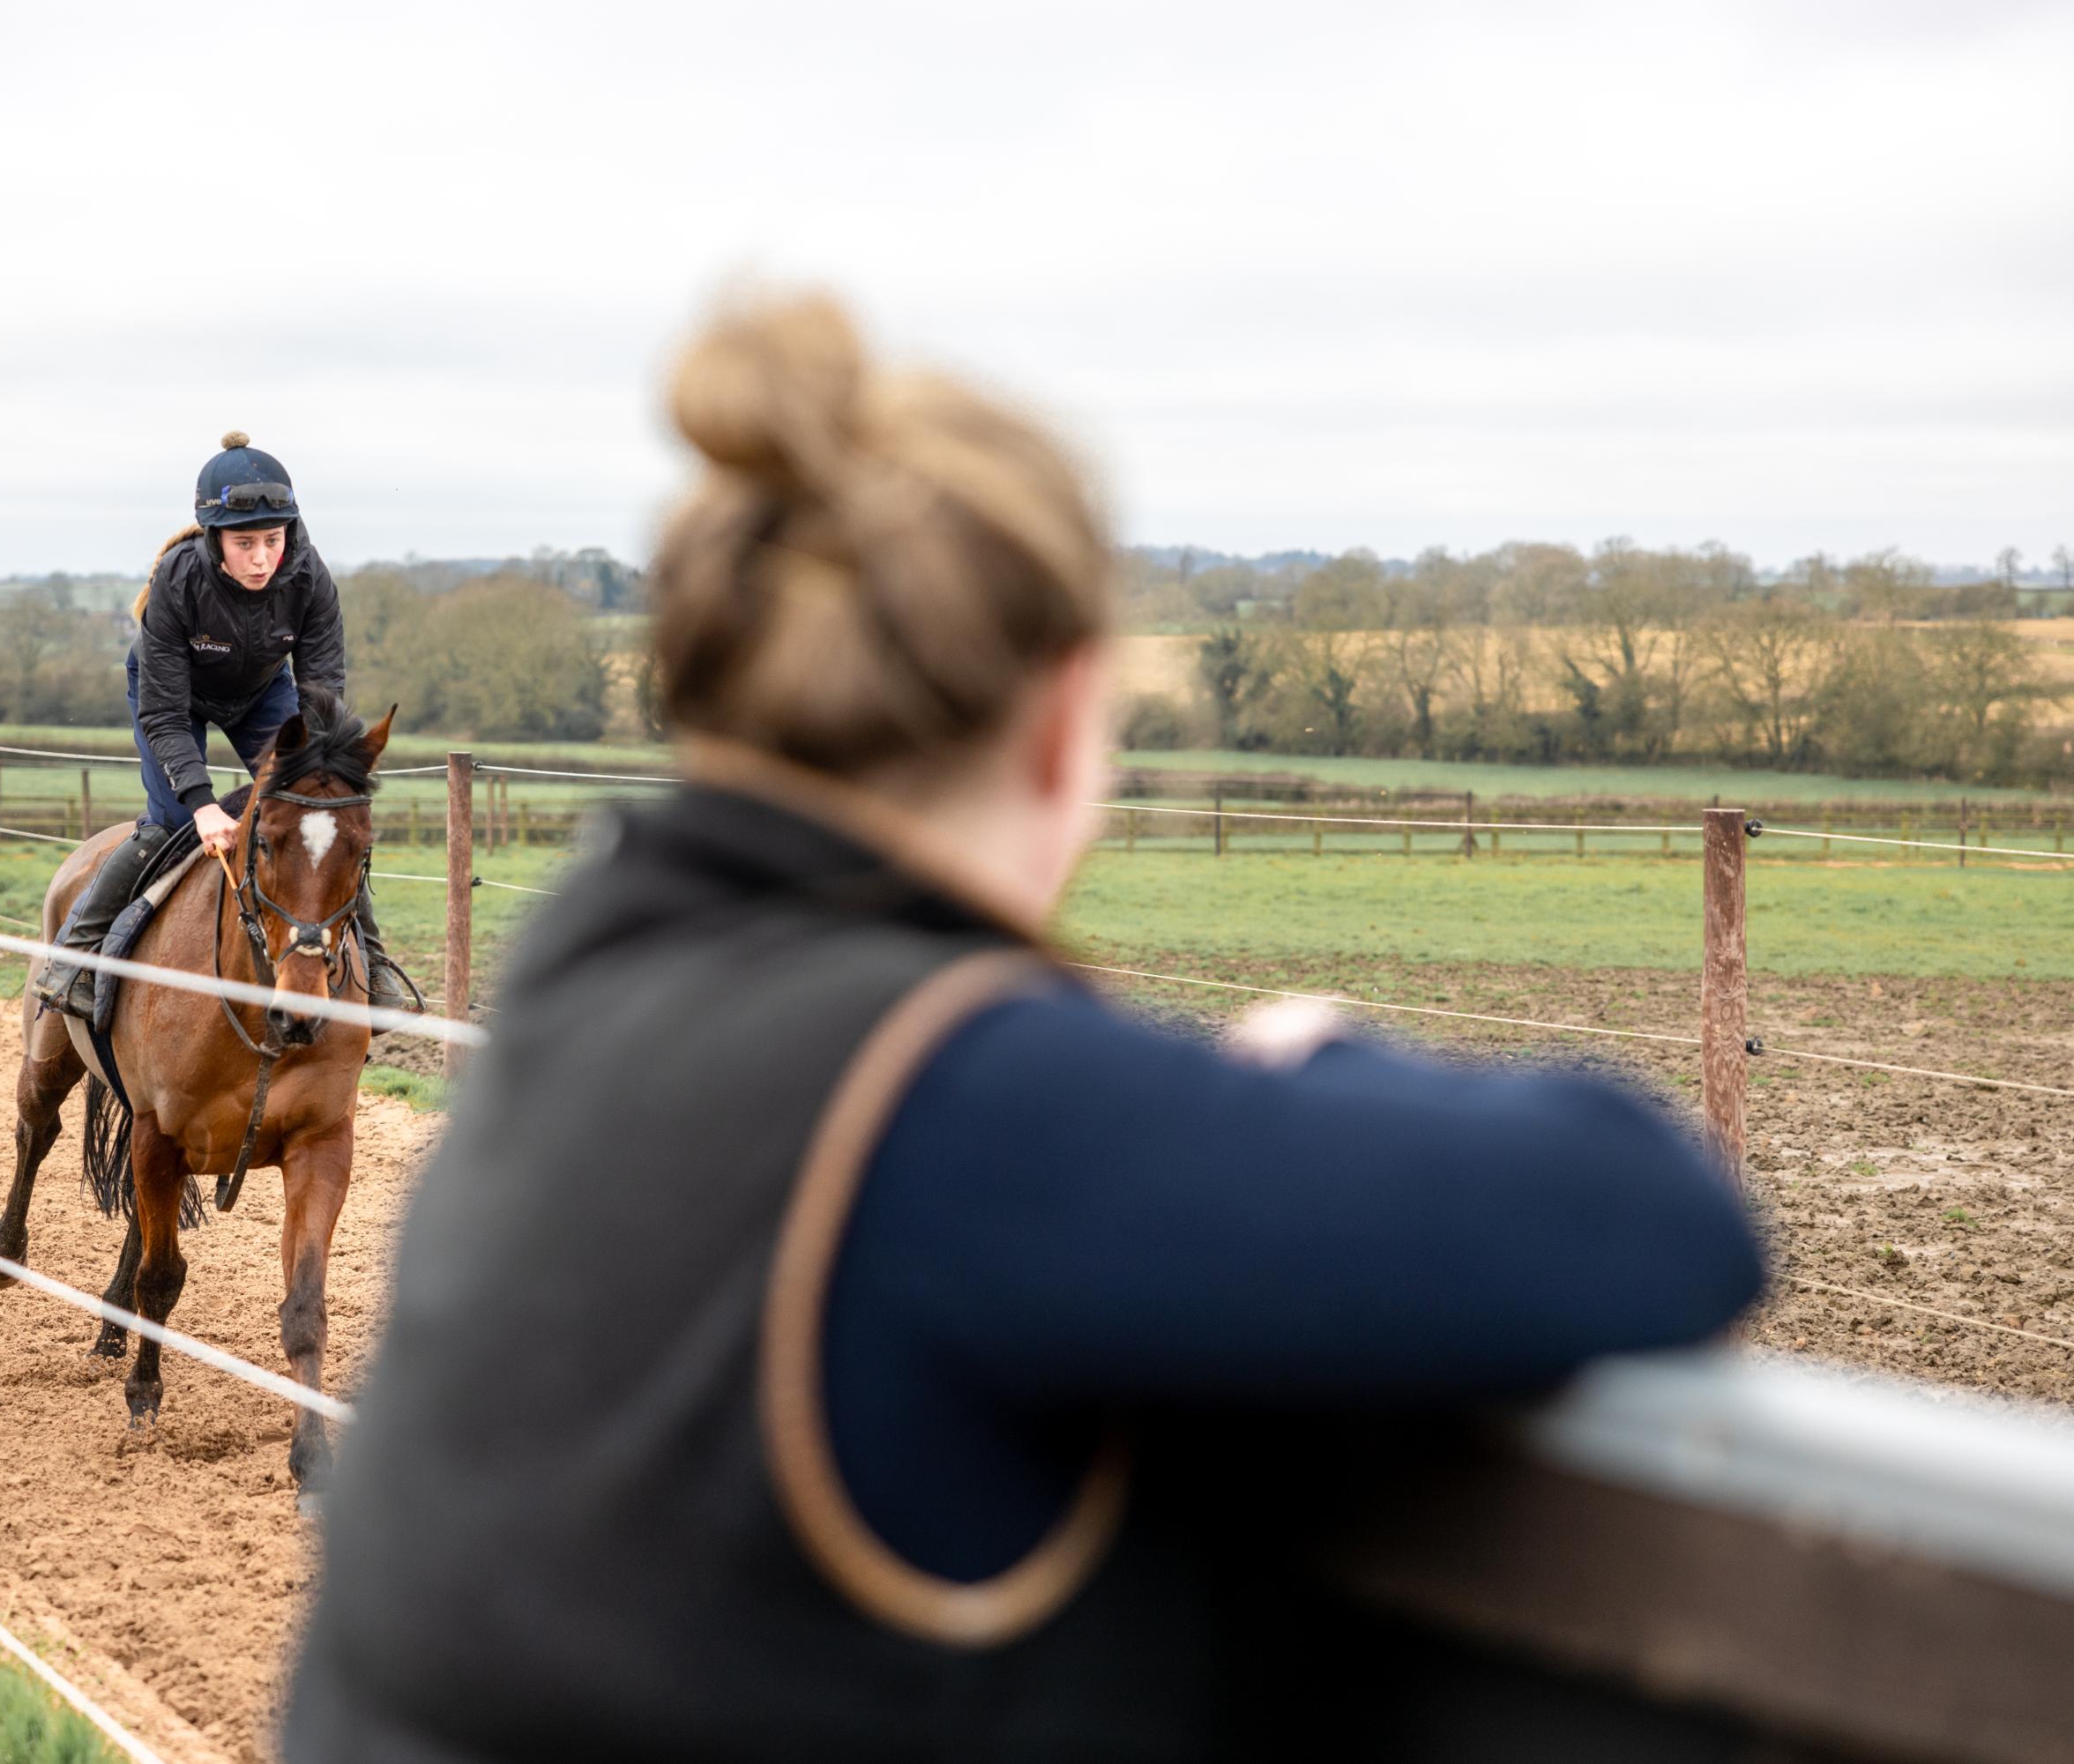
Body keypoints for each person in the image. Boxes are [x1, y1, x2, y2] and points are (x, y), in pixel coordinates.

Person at [287, 299, 1764, 1760]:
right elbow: (1659, 1217)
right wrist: (1320, 1062)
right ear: (1067, 720)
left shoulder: (586, 972)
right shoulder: (955, 1092)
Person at [35, 430, 419, 1019]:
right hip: (174, 697)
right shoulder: (177, 580)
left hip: (261, 693)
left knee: (321, 816)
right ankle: (78, 953)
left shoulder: (312, 579)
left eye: (273, 539)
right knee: (167, 823)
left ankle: (373, 956)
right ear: (215, 538)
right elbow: (163, 713)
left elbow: (320, 696)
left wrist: (319, 774)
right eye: (246, 543)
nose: (263, 558)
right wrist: (202, 804)